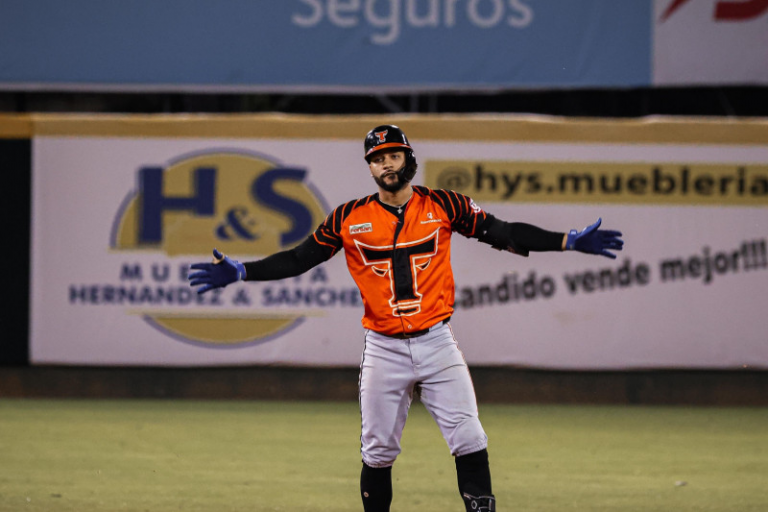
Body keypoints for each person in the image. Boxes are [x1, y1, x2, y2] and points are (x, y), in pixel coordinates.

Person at [188, 125, 623, 511]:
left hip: (437, 341)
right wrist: (243, 271)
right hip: (384, 348)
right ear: (370, 168)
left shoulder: (444, 204)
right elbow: (300, 258)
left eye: (393, 155)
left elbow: (503, 232)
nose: (386, 164)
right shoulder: (348, 217)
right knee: (378, 452)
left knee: (470, 438)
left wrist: (566, 240)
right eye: (377, 159)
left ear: (409, 158)